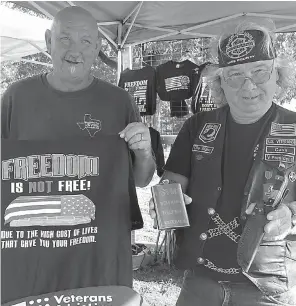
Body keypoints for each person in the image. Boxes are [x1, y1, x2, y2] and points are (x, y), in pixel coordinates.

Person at [1, 5, 155, 302]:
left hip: (98, 254)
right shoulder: (16, 97)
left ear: (97, 47)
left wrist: (144, 152)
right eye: (65, 39)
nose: (75, 50)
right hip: (32, 253)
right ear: (48, 41)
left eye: (86, 41)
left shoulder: (118, 101)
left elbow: (141, 179)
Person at [149, 20, 296, 305]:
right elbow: (172, 183)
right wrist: (164, 201)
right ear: (220, 83)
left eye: (259, 72)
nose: (248, 85)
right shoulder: (197, 126)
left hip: (265, 285)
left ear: (278, 76)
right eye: (234, 75)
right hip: (200, 281)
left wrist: (291, 215)